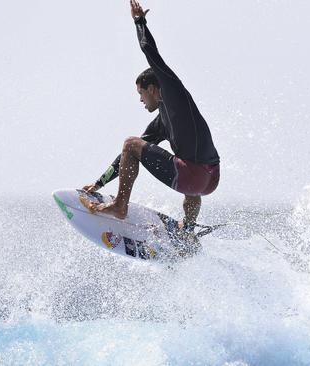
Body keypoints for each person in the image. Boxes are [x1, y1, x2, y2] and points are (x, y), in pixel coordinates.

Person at [82, 0, 220, 236]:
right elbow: (126, 157)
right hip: (211, 178)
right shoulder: (162, 122)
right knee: (141, 149)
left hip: (192, 176)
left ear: (154, 89)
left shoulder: (173, 92)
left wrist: (139, 22)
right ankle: (187, 230)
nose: (141, 100)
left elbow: (150, 51)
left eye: (141, 93)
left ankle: (119, 206)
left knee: (130, 142)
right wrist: (100, 182)